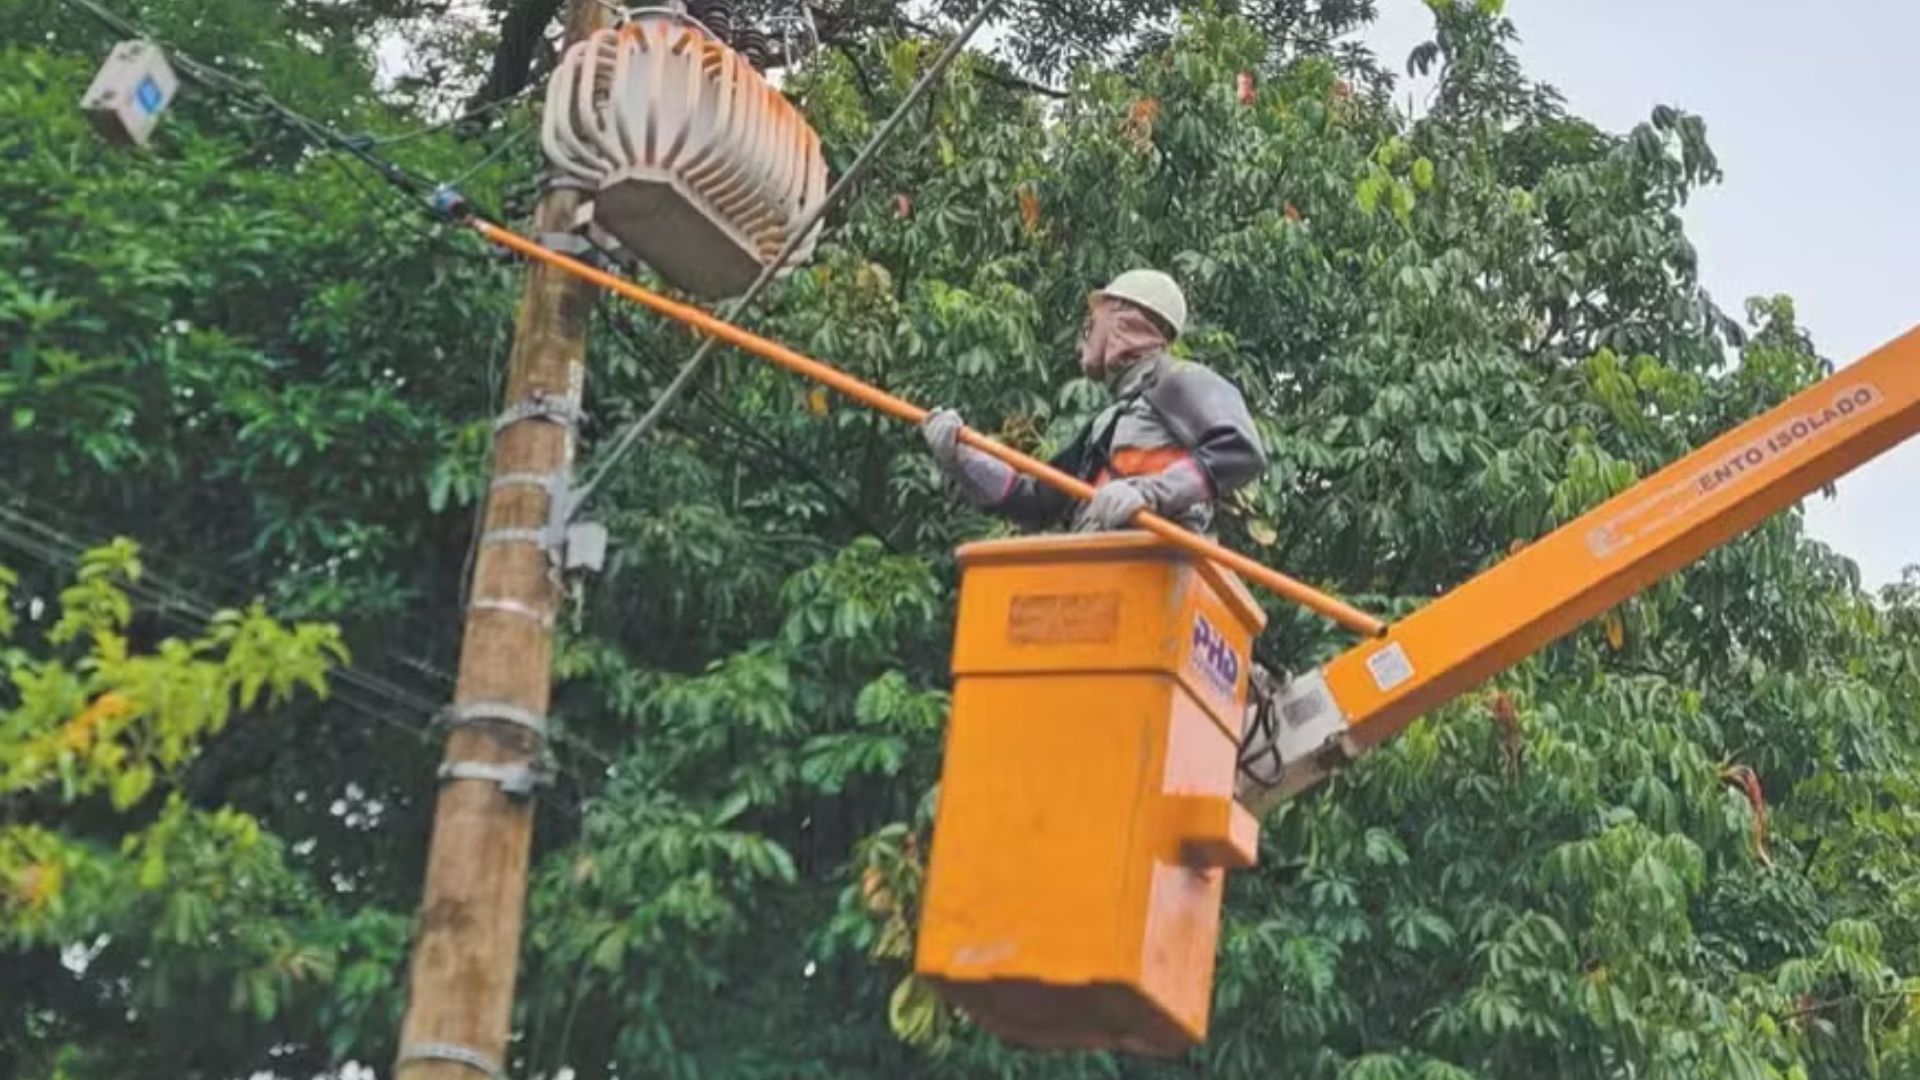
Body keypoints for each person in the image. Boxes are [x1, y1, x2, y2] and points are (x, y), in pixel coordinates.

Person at [920, 269, 1267, 534]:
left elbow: (1240, 451)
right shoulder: (1109, 424)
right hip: (1097, 569)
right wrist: (962, 456)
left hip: (1156, 565)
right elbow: (1036, 501)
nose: (1081, 343)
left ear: (1121, 321)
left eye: (1090, 327)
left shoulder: (1178, 380)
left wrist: (1152, 493)